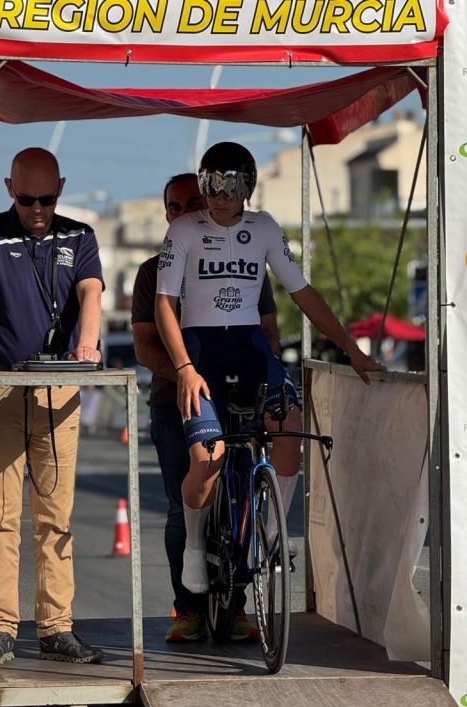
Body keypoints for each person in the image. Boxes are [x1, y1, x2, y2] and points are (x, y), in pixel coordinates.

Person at [154, 142, 382, 596]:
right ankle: (195, 544)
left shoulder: (264, 228)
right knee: (209, 459)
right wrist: (183, 367)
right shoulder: (183, 230)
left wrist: (350, 349)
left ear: (249, 187)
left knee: (290, 427)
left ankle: (270, 535)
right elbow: (165, 303)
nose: (221, 196)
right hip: (200, 349)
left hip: (249, 345)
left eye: (232, 186)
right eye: (211, 185)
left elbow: (303, 293)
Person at [133, 172, 279, 642]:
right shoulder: (152, 271)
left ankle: (237, 607)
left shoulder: (247, 259)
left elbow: (268, 332)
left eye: (191, 203)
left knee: (241, 499)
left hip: (236, 397)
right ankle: (188, 608)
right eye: (173, 207)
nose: (182, 213)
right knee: (183, 509)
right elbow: (143, 345)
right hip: (173, 402)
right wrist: (184, 375)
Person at [0, 147, 104, 666]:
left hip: (58, 389)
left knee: (55, 514)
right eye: (28, 199)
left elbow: (91, 291)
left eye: (48, 199)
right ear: (10, 189)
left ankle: (57, 627)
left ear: (61, 189)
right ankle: (0, 625)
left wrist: (88, 347)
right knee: (2, 514)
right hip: (4, 389)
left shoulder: (79, 235)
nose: (38, 210)